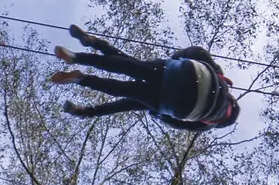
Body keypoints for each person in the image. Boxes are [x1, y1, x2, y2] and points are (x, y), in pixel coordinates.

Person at [50, 25, 240, 131]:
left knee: (128, 65)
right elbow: (177, 123)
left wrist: (176, 58)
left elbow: (199, 52)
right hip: (174, 104)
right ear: (220, 122)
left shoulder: (221, 79)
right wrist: (158, 113)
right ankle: (82, 79)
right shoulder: (207, 125)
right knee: (125, 91)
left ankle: (81, 54)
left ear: (231, 99)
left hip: (181, 72)